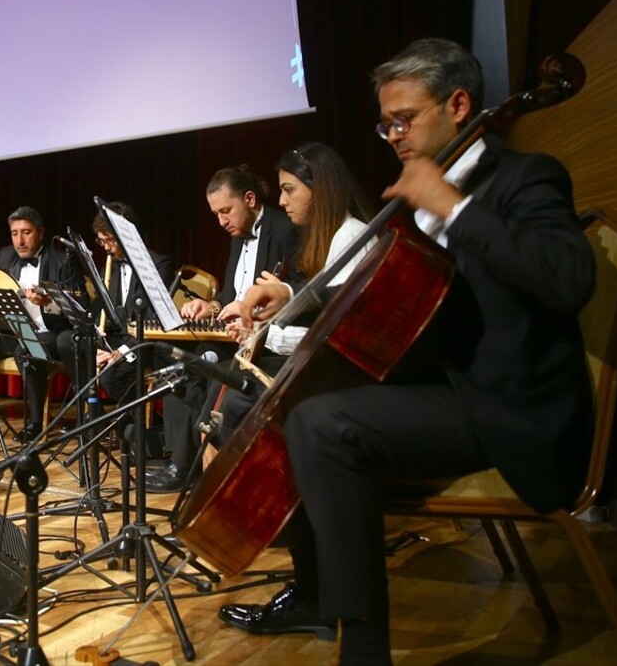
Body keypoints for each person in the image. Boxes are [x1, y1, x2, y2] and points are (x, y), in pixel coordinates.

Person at [216, 39, 596, 666]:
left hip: (514, 407)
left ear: (459, 104)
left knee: (320, 425)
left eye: (404, 118)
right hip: (450, 392)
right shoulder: (409, 211)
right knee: (294, 413)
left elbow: (569, 278)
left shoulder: (525, 177)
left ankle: (362, 649)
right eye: (384, 122)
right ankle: (319, 599)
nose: (392, 134)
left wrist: (449, 204)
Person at [148, 165, 300, 492]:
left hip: (263, 340)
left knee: (208, 377)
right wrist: (211, 306)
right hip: (230, 337)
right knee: (181, 370)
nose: (221, 221)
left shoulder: (286, 230)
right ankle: (183, 462)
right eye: (216, 214)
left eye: (226, 211)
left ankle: (199, 466)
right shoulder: (237, 236)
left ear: (249, 199)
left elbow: (294, 294)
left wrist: (248, 311)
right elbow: (231, 294)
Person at [212, 142, 377, 442]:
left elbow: (337, 335)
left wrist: (264, 335)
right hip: (323, 366)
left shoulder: (351, 236)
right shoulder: (333, 238)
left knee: (237, 399)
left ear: (320, 188)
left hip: (341, 378)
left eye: (290, 190)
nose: (282, 200)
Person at [0, 205, 84, 443]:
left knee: (27, 346)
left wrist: (49, 302)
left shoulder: (62, 261)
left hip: (49, 333)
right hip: (13, 330)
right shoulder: (5, 255)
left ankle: (35, 423)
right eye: (14, 233)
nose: (20, 240)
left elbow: (81, 306)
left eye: (26, 232)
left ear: (40, 233)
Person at [55, 202, 175, 406]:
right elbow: (98, 309)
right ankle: (93, 413)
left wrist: (121, 352)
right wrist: (94, 336)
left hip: (141, 343)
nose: (106, 248)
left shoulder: (158, 265)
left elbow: (153, 322)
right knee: (67, 340)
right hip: (114, 338)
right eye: (102, 242)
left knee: (110, 377)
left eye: (110, 241)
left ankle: (138, 424)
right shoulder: (109, 268)